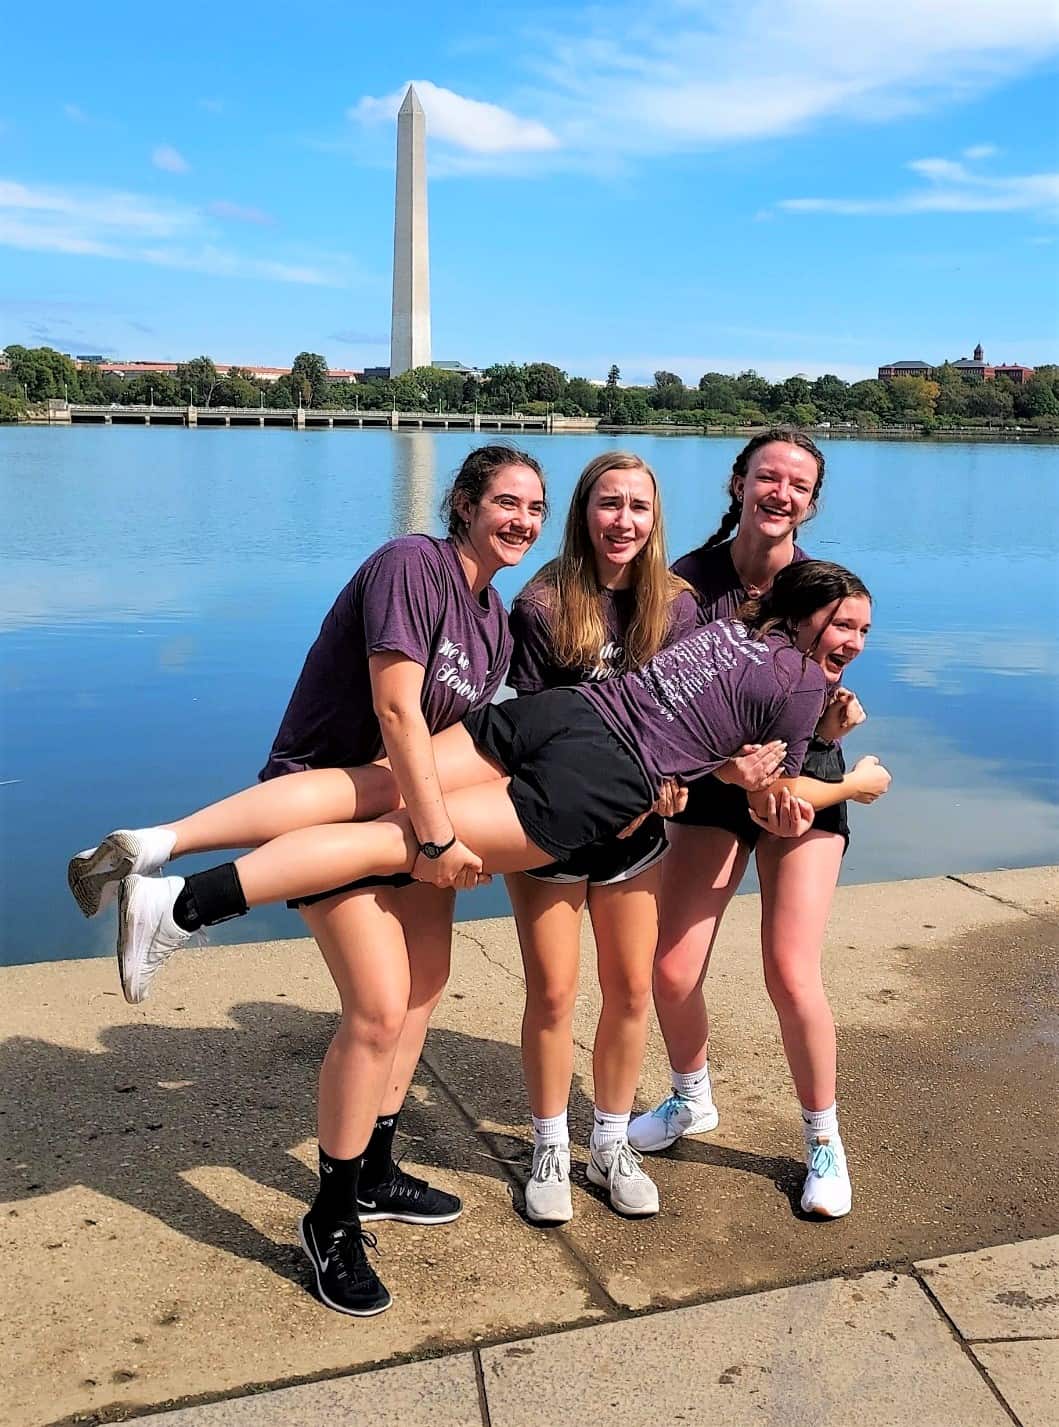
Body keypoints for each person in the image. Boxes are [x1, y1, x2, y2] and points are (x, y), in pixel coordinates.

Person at [71, 559, 888, 1301]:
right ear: (806, 614)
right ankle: (184, 904)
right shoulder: (799, 681)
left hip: (558, 714)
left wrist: (737, 760)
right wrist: (852, 777)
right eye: (843, 623)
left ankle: (159, 840)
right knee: (396, 839)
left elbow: (705, 735)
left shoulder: (725, 633)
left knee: (380, 785)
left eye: (861, 630)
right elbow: (776, 802)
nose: (851, 642)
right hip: (604, 778)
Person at [69, 443, 548, 1317]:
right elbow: (396, 708)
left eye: (534, 508)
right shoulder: (412, 565)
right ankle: (329, 1219)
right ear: (463, 503)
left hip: (398, 818)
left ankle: (373, 1167)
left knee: (424, 986)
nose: (521, 520)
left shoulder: (496, 620)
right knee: (377, 1005)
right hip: (325, 808)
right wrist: (439, 835)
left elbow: (468, 737)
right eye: (505, 502)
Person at [628, 428, 880, 1220]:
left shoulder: (820, 583)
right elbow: (662, 694)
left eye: (797, 484)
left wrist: (833, 727)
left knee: (790, 970)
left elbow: (820, 683)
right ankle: (689, 1095)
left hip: (802, 776)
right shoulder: (684, 581)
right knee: (671, 969)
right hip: (713, 781)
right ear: (737, 482)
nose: (780, 493)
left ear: (811, 502)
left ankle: (822, 1140)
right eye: (768, 476)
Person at [505, 453, 699, 1223]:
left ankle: (610, 1143)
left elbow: (687, 720)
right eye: (608, 503)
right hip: (552, 825)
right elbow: (523, 729)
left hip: (635, 830)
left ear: (654, 519)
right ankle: (549, 1144)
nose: (623, 520)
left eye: (637, 507)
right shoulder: (541, 603)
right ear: (583, 512)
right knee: (553, 992)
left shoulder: (676, 608)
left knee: (629, 988)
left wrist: (673, 780)